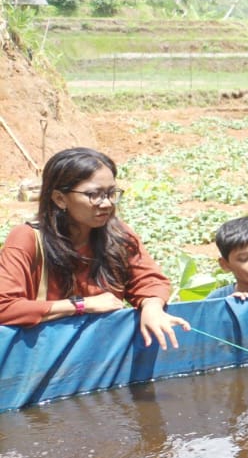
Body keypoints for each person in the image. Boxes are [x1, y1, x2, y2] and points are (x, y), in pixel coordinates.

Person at [0, 147, 188, 347]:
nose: (106, 203)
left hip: (99, 356)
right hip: (43, 359)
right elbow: (4, 306)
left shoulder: (118, 235)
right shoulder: (28, 239)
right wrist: (83, 305)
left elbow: (149, 281)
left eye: (110, 193)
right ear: (59, 198)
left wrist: (152, 307)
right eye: (94, 194)